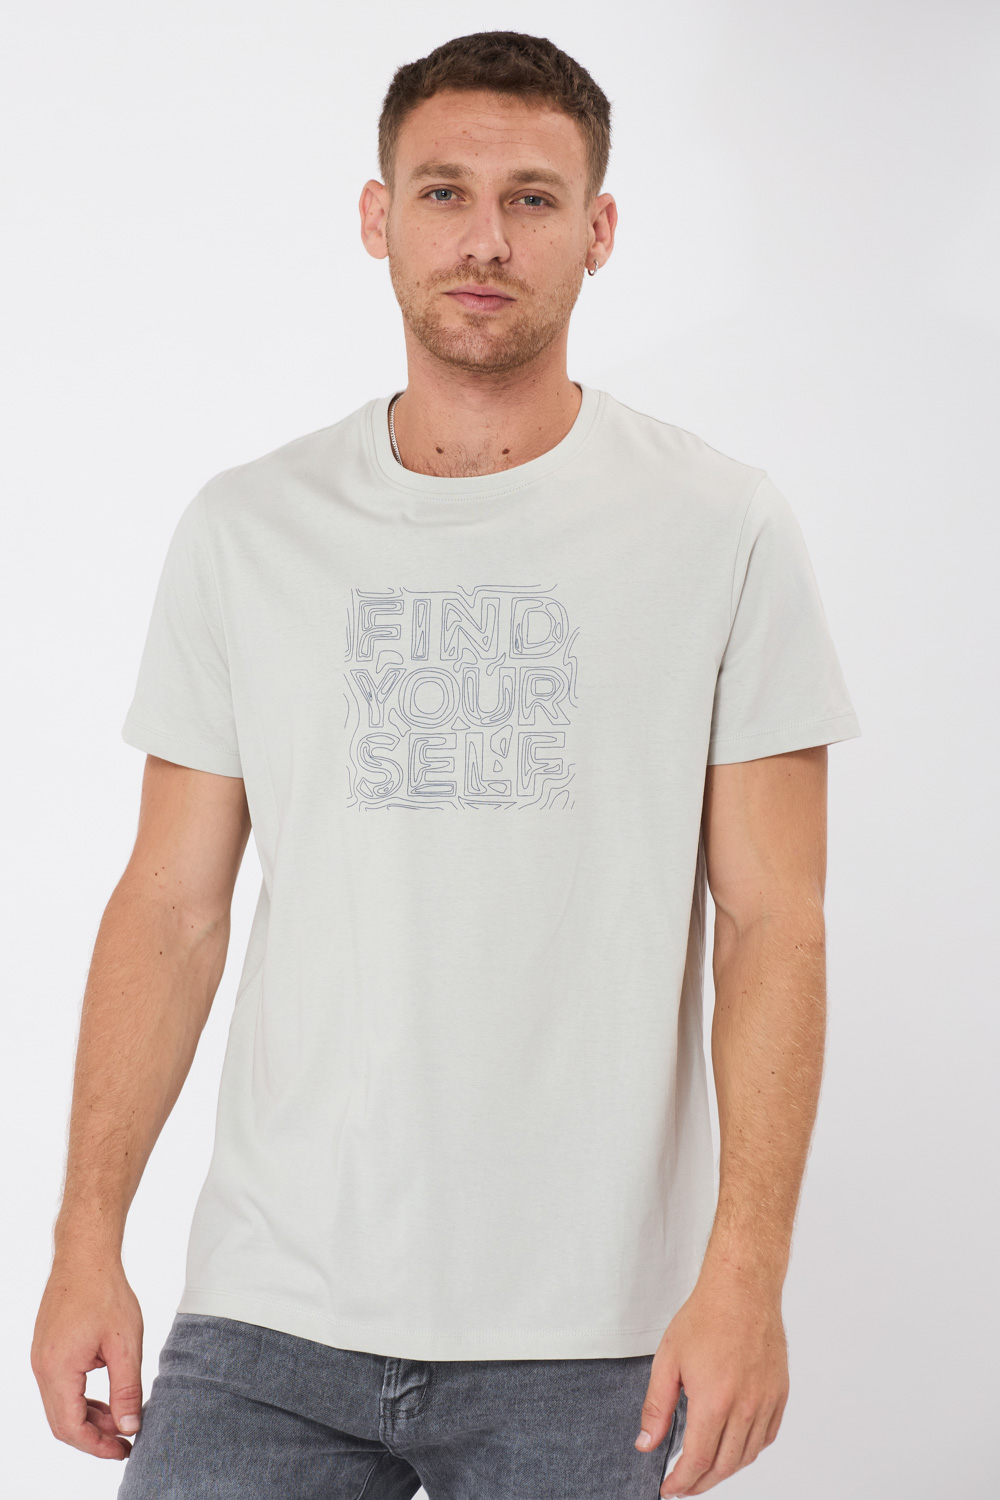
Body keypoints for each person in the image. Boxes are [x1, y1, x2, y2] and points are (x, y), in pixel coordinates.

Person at [30, 29, 862, 1500]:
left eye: (533, 199)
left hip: (592, 1337)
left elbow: (773, 921)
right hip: (269, 1316)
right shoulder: (248, 527)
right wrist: (84, 1239)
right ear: (378, 217)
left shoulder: (719, 526)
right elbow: (170, 906)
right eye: (443, 193)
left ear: (599, 231)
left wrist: (746, 1277)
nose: (486, 240)